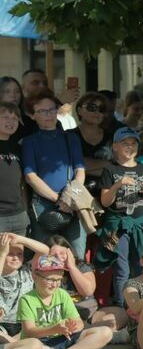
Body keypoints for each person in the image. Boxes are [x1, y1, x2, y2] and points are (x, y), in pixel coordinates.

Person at [98, 126, 143, 303]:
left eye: (133, 143)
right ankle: (121, 305)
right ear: (115, 146)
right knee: (121, 267)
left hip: (141, 224)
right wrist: (117, 185)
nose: (130, 147)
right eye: (125, 143)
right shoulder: (110, 170)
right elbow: (105, 201)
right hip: (118, 225)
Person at [15, 254, 111, 349]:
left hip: (63, 339)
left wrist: (71, 327)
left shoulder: (62, 294)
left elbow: (79, 323)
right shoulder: (27, 299)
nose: (55, 284)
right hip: (40, 343)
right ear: (35, 276)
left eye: (59, 279)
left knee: (106, 332)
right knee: (31, 348)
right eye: (50, 279)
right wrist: (54, 329)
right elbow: (29, 331)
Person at [22, 90, 87, 256]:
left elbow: (80, 170)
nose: (49, 114)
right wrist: (58, 199)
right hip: (43, 204)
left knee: (76, 255)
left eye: (52, 109)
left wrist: (70, 197)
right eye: (42, 111)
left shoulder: (71, 138)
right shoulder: (29, 142)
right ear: (31, 115)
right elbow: (30, 177)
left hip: (72, 201)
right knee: (44, 256)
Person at [0, 102, 28, 236]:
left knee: (18, 256)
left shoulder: (18, 148)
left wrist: (25, 210)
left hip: (19, 215)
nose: (10, 121)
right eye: (5, 117)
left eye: (15, 118)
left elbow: (22, 183)